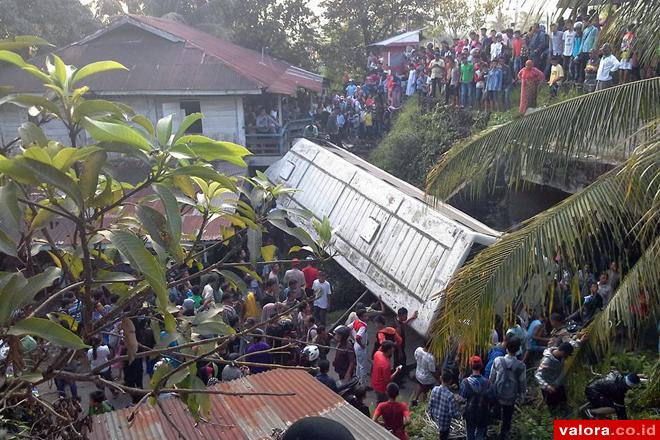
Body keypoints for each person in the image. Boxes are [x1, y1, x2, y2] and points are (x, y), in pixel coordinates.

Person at [490, 337, 526, 439]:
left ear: (506, 348)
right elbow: (522, 383)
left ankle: (491, 431)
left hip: (497, 394)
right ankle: (503, 434)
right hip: (510, 397)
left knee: (495, 413)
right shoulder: (521, 366)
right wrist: (522, 396)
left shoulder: (497, 361)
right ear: (518, 349)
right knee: (507, 418)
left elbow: (491, 378)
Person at [535, 342, 575, 413]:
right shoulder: (546, 361)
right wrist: (547, 386)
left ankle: (566, 412)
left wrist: (580, 341)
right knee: (553, 406)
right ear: (563, 352)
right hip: (549, 387)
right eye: (566, 355)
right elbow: (537, 375)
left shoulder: (560, 354)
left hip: (558, 383)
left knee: (563, 400)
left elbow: (572, 343)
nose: (567, 357)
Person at [460, 356, 490, 440]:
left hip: (470, 413)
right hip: (483, 412)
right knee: (480, 435)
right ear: (481, 366)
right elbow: (491, 397)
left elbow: (462, 397)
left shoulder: (465, 382)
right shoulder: (487, 382)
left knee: (470, 435)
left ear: (470, 366)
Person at [428, 370, 461, 440]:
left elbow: (430, 404)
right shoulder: (450, 395)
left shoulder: (434, 389)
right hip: (444, 424)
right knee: (443, 437)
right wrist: (460, 414)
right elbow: (453, 413)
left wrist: (431, 414)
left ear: (440, 378)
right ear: (450, 381)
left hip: (435, 419)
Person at [352, 308, 369, 385]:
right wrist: (362, 345)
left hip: (356, 345)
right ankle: (362, 383)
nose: (367, 317)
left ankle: (357, 379)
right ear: (361, 317)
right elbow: (358, 337)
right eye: (365, 316)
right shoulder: (363, 326)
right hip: (360, 346)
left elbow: (348, 327)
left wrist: (352, 336)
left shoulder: (356, 322)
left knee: (359, 363)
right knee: (363, 366)